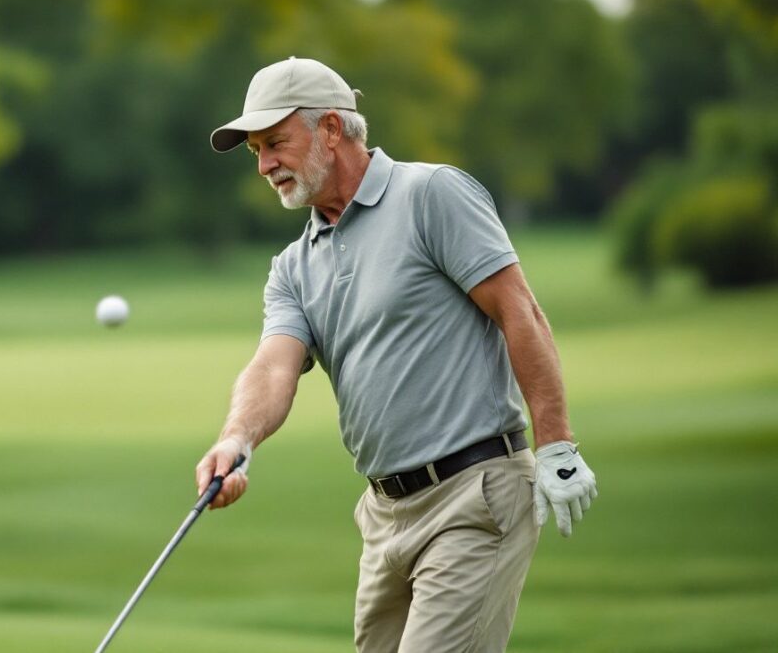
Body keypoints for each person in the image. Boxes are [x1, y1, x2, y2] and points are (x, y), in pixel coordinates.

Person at [195, 57, 598, 653]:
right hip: (384, 516)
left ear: (331, 129)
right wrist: (237, 439)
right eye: (256, 150)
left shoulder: (431, 194)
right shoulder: (293, 267)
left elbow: (520, 312)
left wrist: (557, 444)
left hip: (474, 495)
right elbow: (273, 366)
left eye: (275, 143)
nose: (264, 165)